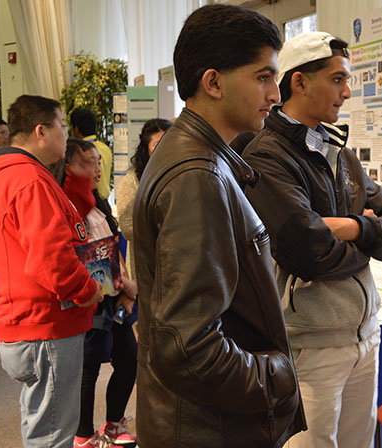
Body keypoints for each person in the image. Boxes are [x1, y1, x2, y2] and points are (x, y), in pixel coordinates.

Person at [132, 5, 305, 447]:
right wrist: (276, 375)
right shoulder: (197, 174)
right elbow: (188, 348)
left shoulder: (196, 157)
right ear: (213, 82)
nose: (276, 95)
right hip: (208, 428)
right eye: (262, 77)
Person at [242, 31, 382, 448]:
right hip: (310, 346)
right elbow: (310, 251)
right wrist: (367, 239)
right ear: (299, 82)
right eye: (337, 79)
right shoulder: (267, 155)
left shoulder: (340, 152)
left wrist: (353, 228)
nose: (347, 92)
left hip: (365, 335)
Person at [0, 95, 104, 447]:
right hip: (44, 323)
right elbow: (51, 260)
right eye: (62, 126)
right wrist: (88, 291)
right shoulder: (28, 180)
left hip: (23, 318)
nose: (67, 134)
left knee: (39, 422)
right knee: (53, 434)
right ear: (41, 131)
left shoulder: (10, 175)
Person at [50, 138, 139, 448]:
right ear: (66, 168)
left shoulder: (98, 202)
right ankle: (84, 435)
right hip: (88, 300)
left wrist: (128, 290)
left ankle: (114, 423)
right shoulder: (61, 205)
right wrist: (123, 286)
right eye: (87, 162)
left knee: (129, 359)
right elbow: (79, 262)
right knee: (87, 370)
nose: (96, 168)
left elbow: (113, 248)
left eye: (98, 162)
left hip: (113, 297)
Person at [116, 118, 172, 281]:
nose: (164, 149)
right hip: (147, 264)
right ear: (146, 148)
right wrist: (164, 226)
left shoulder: (181, 175)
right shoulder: (133, 180)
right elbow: (127, 227)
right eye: (157, 144)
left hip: (176, 263)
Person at [70, 108, 113, 200]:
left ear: (76, 129)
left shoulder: (80, 151)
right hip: (105, 202)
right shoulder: (105, 148)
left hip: (91, 200)